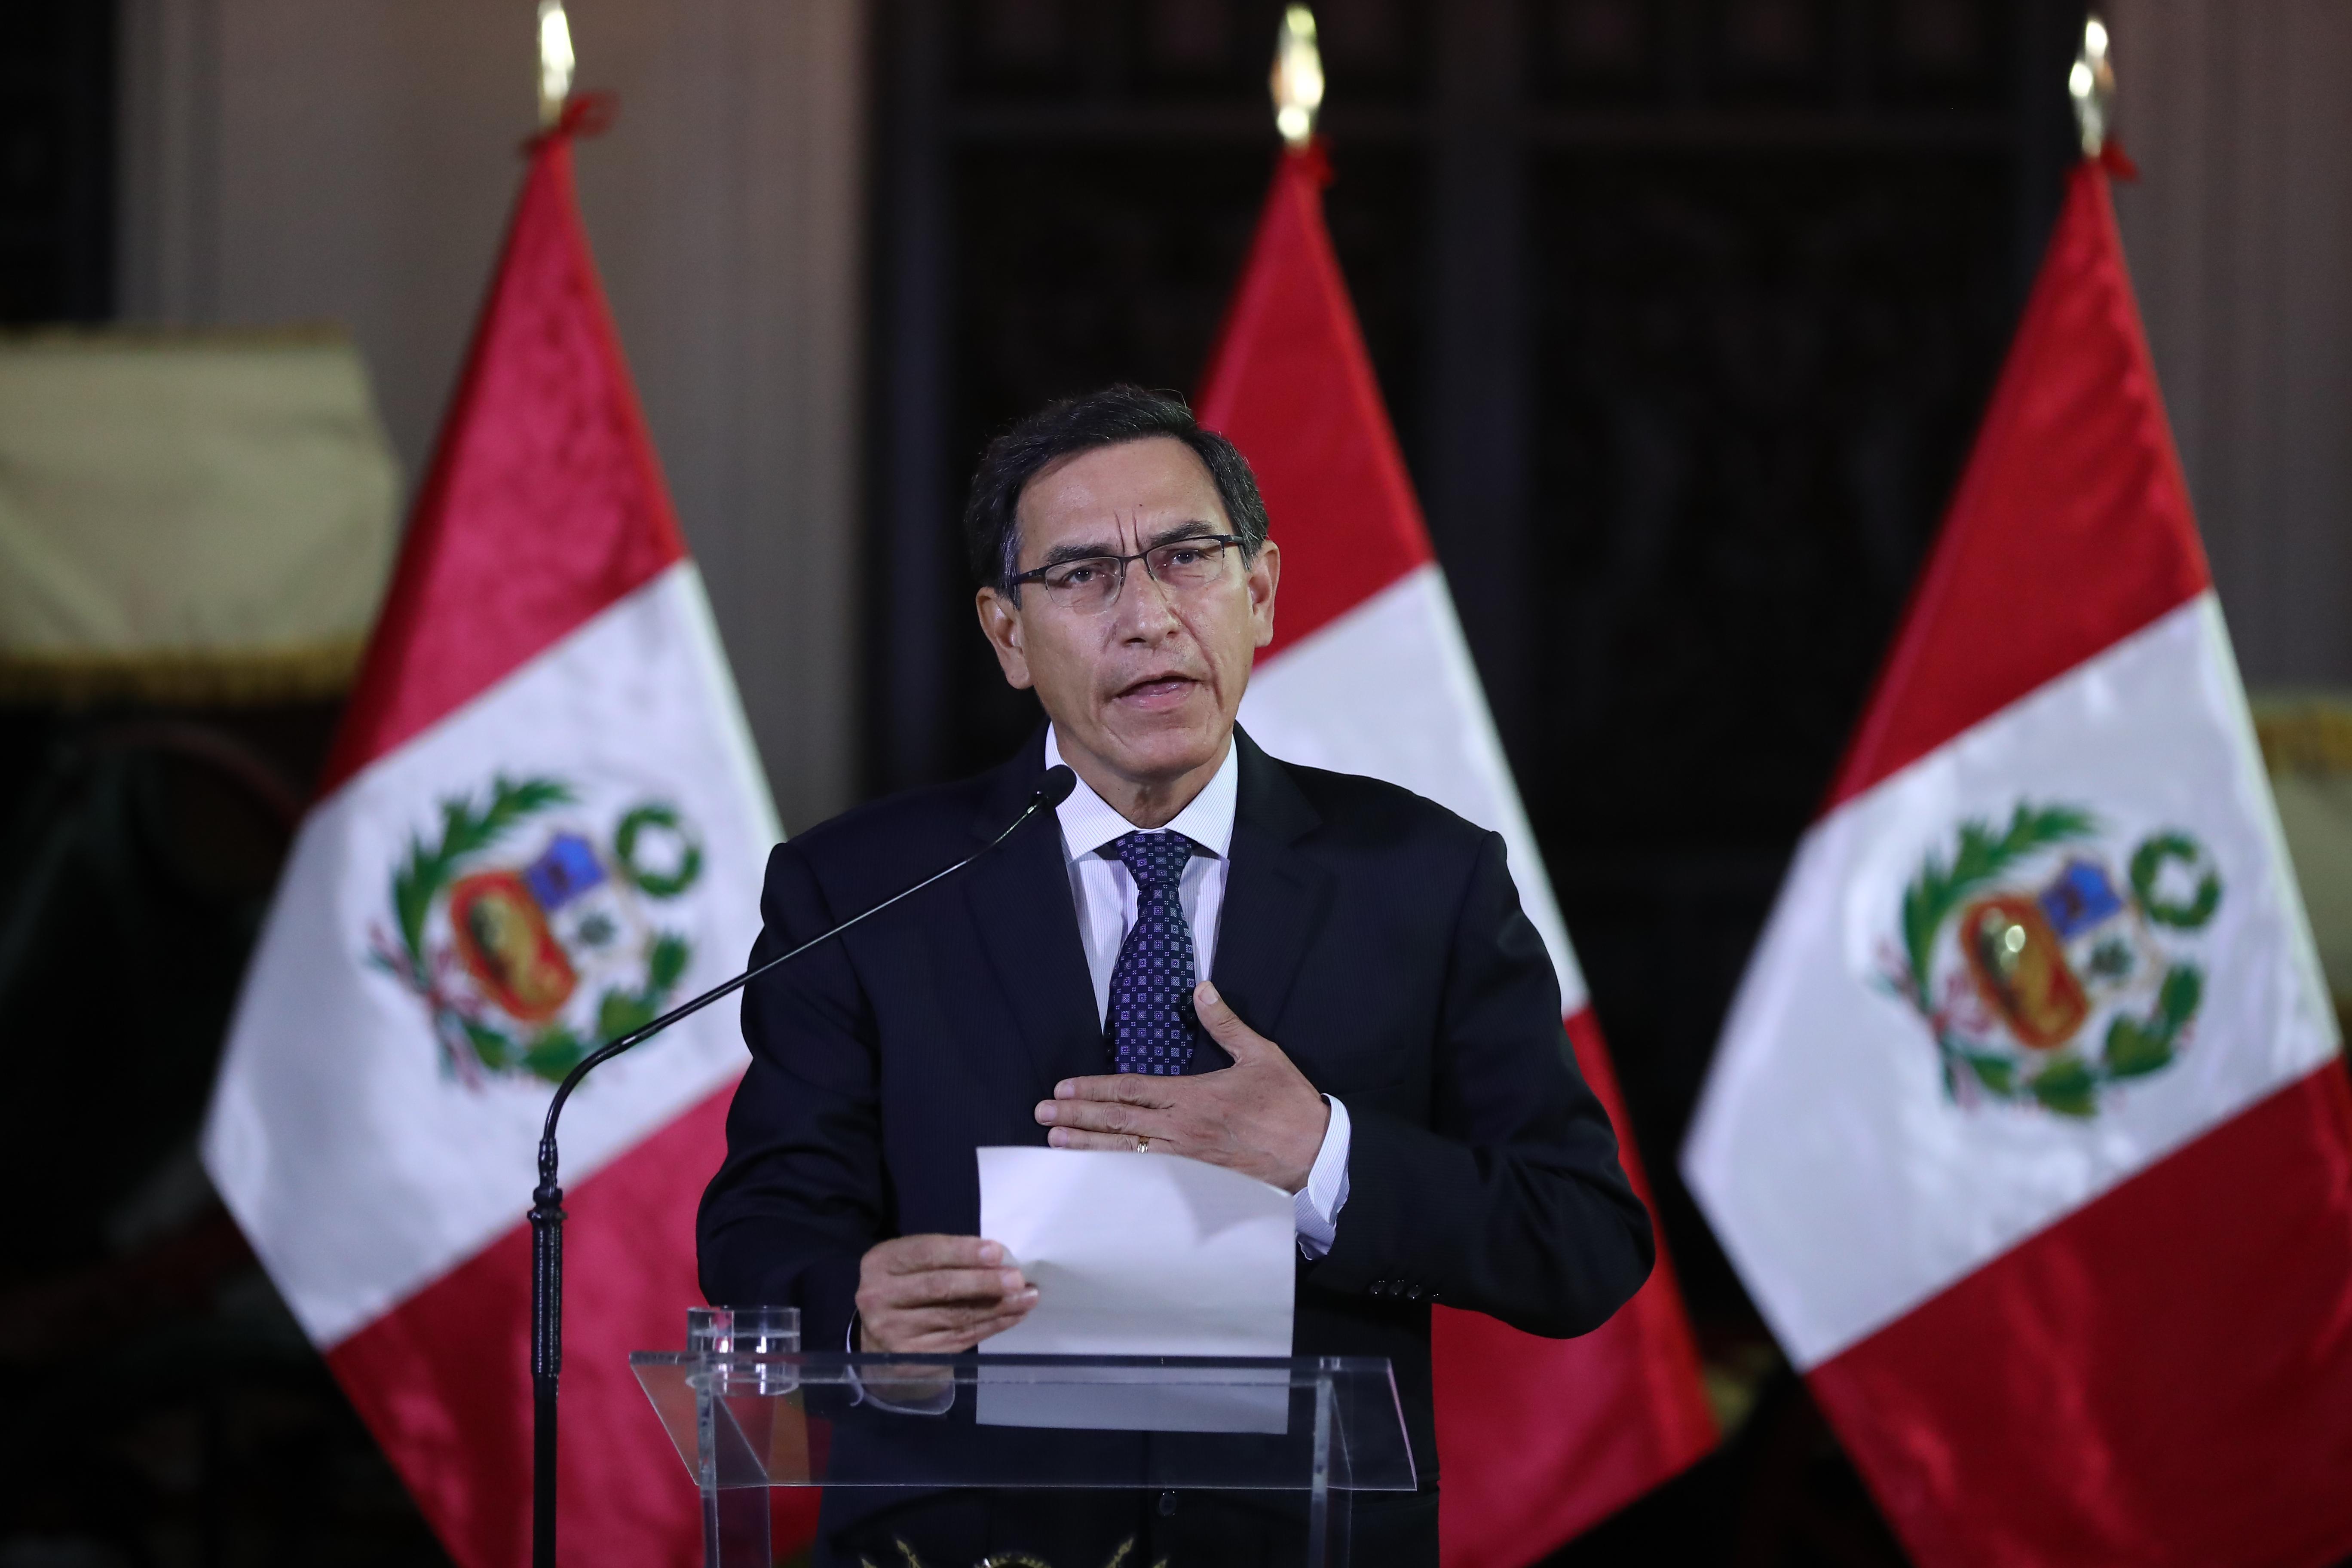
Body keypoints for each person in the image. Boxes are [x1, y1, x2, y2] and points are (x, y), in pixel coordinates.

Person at [698, 384, 1654, 1567]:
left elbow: (1583, 1241)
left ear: (1258, 593)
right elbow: (763, 1222)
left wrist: (1323, 1157)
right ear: (1007, 634)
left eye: (1187, 558)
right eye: (1086, 574)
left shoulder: (1423, 880)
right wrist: (855, 1309)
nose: (1147, 615)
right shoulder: (861, 889)